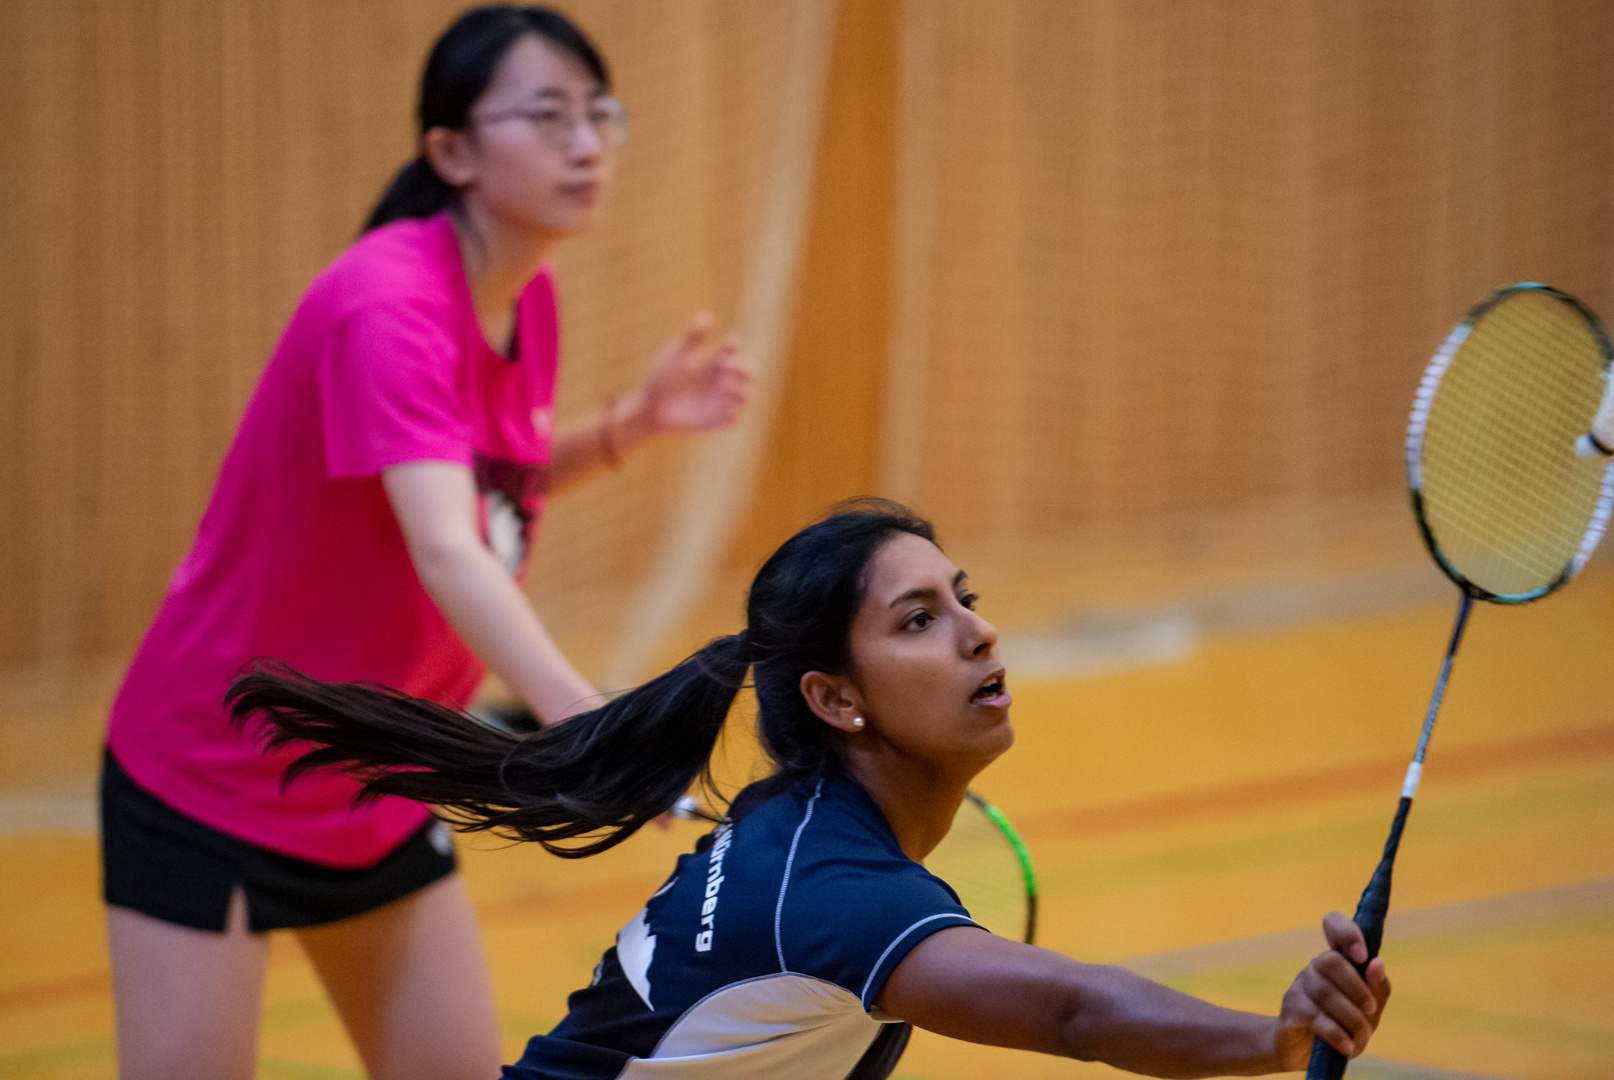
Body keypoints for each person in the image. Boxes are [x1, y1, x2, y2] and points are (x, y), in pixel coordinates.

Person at [100, 7, 749, 1079]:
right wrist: (585, 720)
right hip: (213, 772)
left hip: (377, 768)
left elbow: (488, 485)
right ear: (449, 150)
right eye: (548, 115)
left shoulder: (522, 298)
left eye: (598, 113)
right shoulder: (387, 303)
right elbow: (452, 549)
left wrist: (629, 427)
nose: (586, 143)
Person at [229, 501, 1393, 1080]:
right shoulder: (830, 891)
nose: (982, 635)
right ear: (838, 701)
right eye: (921, 621)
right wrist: (1274, 1037)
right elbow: (1069, 1010)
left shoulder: (790, 826)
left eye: (965, 598)